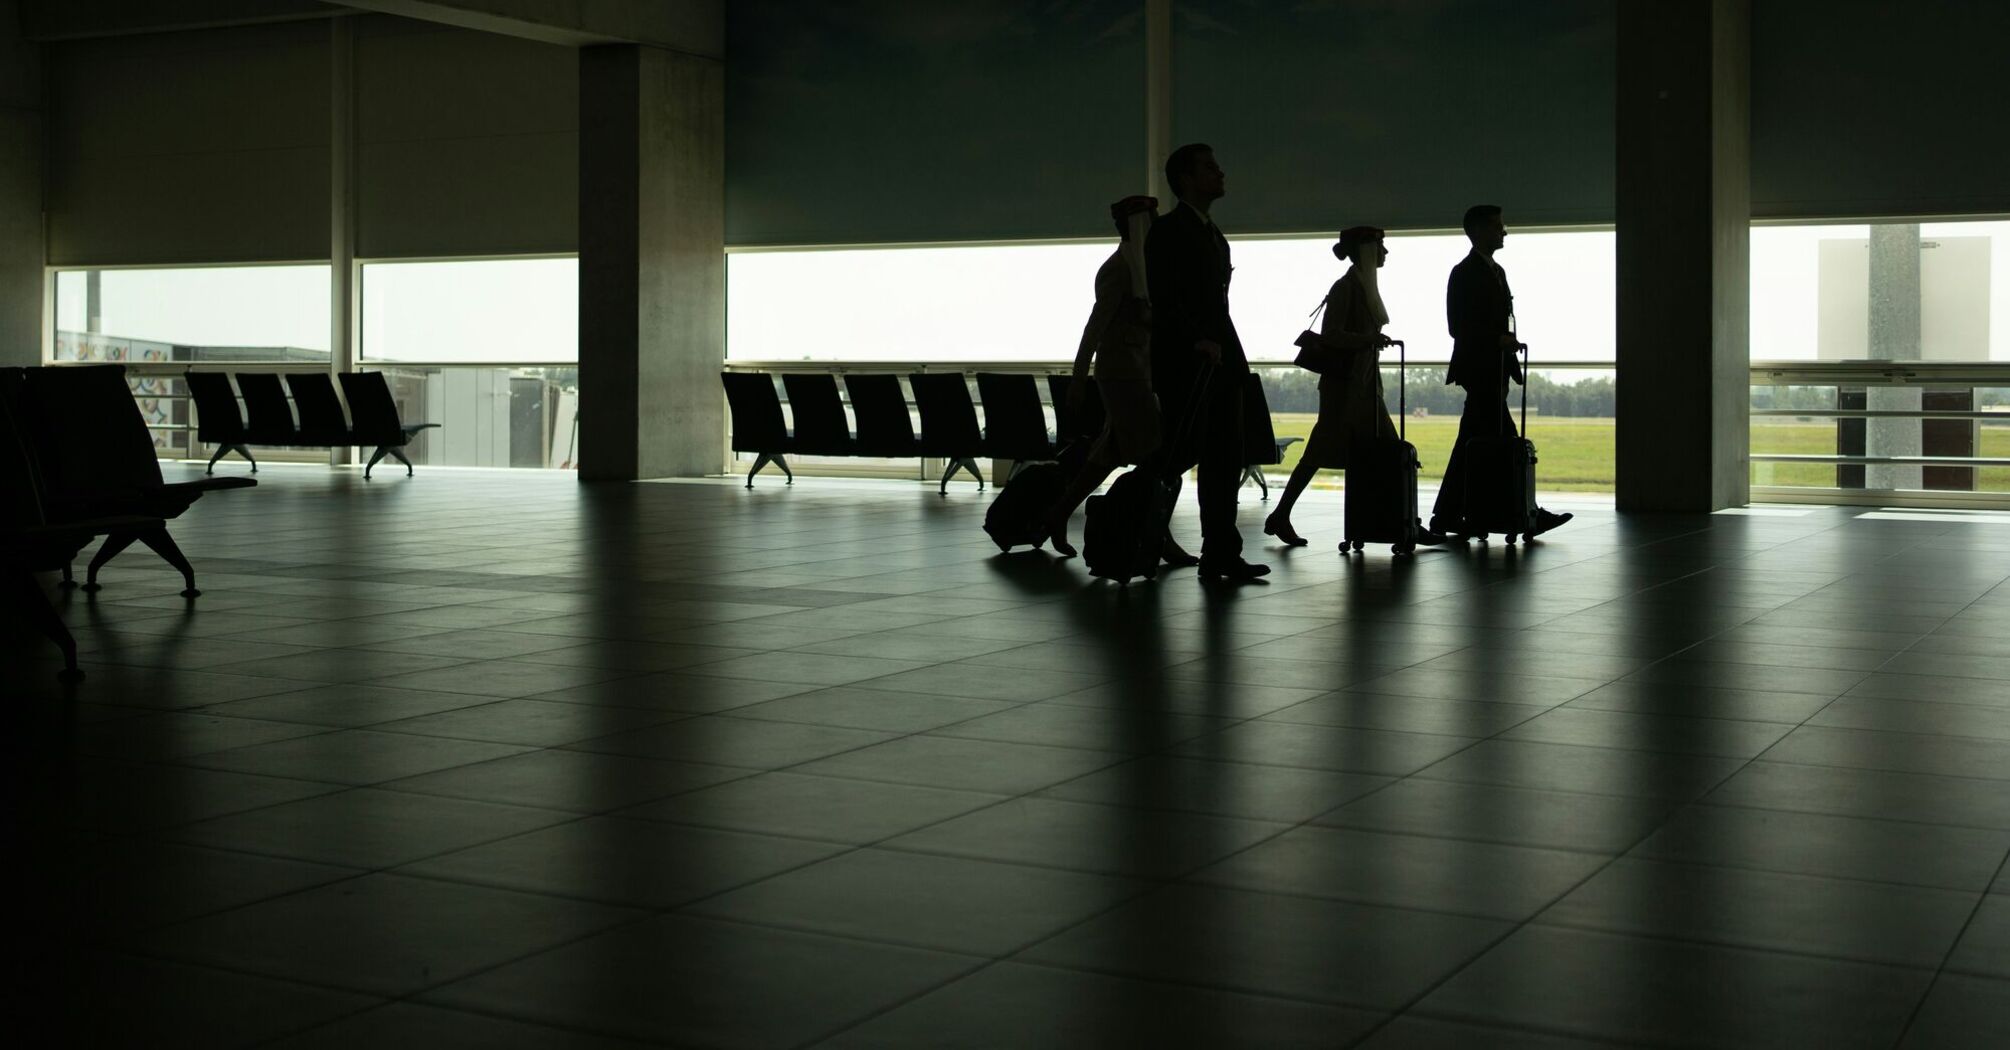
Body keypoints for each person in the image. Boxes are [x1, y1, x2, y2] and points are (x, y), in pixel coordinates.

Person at [1262, 226, 1446, 549]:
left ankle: (1405, 521)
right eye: (1380, 247)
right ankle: (1405, 522)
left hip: (1363, 386)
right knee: (1369, 451)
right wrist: (1368, 339)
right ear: (1366, 251)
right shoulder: (1345, 288)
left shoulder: (1364, 288)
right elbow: (1331, 333)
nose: (1385, 253)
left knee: (1375, 450)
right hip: (1345, 389)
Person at [1043, 196, 1196, 568]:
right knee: (1154, 457)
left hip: (1138, 371)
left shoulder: (1144, 268)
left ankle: (1057, 515)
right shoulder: (1118, 270)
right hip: (1122, 373)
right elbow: (1094, 327)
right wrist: (1079, 377)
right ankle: (1159, 536)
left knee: (1108, 456)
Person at [1144, 143, 1268, 581]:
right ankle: (1146, 529)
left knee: (1224, 459)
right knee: (1187, 452)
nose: (1220, 173)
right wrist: (1196, 340)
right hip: (1190, 362)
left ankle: (1221, 551)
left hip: (1219, 359)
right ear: (1185, 180)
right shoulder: (1169, 231)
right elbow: (1165, 297)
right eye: (1210, 168)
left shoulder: (1212, 234)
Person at [1429, 204, 1572, 539]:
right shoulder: (1463, 273)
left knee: (1472, 443)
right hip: (1481, 371)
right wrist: (1498, 339)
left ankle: (1449, 515)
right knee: (1506, 442)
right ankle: (1526, 513)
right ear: (1478, 231)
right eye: (1497, 226)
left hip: (1494, 371)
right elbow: (1457, 326)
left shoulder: (1496, 271)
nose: (1504, 231)